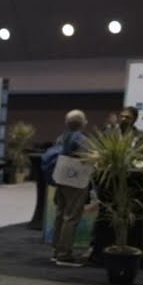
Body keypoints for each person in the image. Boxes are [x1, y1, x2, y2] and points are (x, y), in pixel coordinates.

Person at [49, 110, 91, 267]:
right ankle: (64, 254)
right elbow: (89, 159)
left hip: (61, 179)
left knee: (60, 215)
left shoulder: (61, 137)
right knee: (71, 217)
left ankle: (55, 250)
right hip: (76, 181)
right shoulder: (82, 139)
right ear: (82, 123)